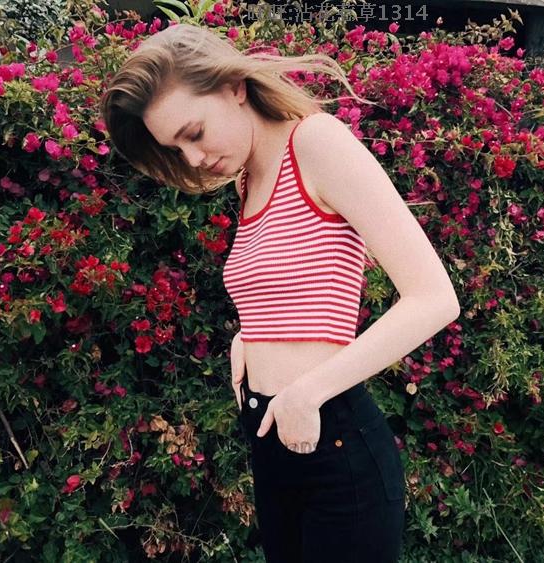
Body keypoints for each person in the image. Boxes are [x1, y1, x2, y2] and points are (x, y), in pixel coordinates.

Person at [100, 22, 460, 563]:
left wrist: (306, 392)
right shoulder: (249, 178)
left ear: (234, 88)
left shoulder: (315, 142)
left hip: (333, 443)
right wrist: (251, 334)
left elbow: (434, 297)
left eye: (194, 132)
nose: (193, 159)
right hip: (271, 436)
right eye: (176, 147)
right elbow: (296, 280)